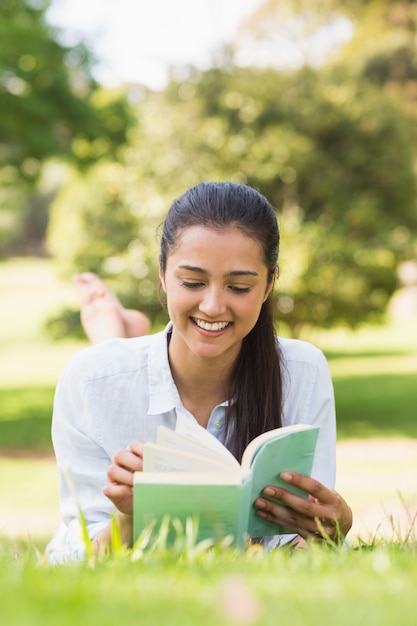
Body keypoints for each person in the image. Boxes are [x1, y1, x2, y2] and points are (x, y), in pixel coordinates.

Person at [46, 181, 352, 563]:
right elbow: (74, 559)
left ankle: (118, 331)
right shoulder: (89, 381)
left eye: (239, 287)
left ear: (270, 283)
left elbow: (298, 545)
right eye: (192, 282)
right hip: (114, 374)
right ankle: (114, 333)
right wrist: (129, 520)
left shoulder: (302, 372)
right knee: (108, 366)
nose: (212, 306)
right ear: (161, 273)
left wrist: (331, 531)